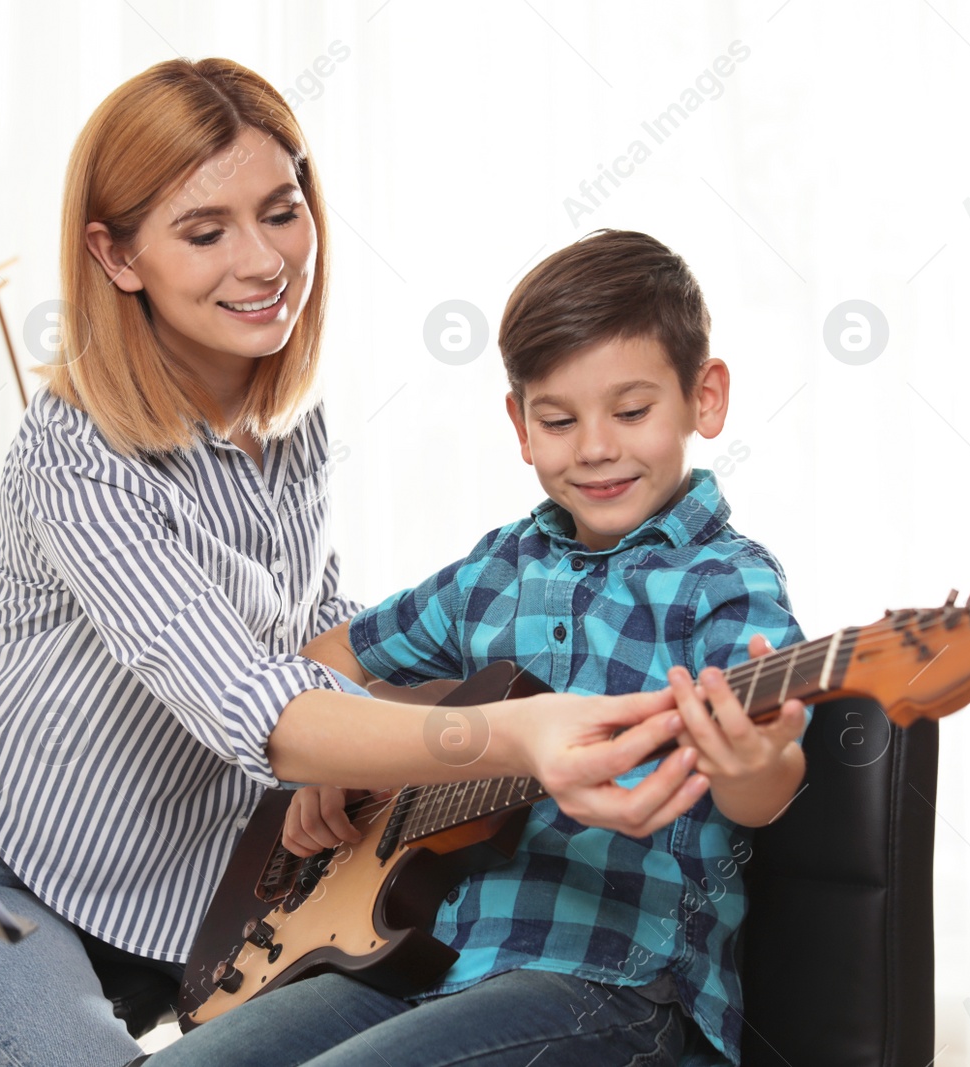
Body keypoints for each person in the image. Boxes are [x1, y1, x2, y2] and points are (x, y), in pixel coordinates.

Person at [0, 61, 704, 1067]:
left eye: (281, 212)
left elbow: (320, 641)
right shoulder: (73, 446)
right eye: (205, 233)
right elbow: (255, 700)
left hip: (180, 896)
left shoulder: (290, 429)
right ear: (116, 256)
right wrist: (509, 732)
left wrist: (542, 656)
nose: (262, 261)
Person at [148, 230, 809, 1067]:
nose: (597, 446)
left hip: (607, 983)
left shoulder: (728, 584)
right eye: (559, 419)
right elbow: (326, 657)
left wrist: (751, 758)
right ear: (519, 425)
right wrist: (334, 759)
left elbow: (767, 788)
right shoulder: (498, 569)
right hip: (415, 960)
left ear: (704, 398)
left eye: (632, 411)